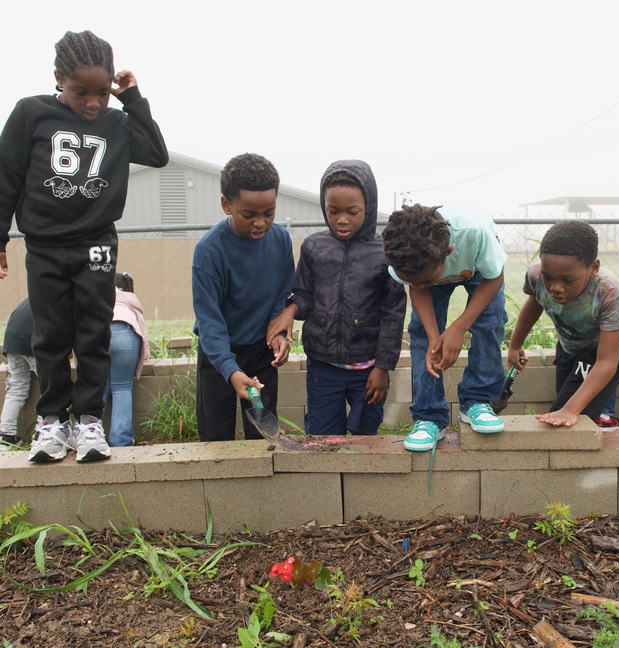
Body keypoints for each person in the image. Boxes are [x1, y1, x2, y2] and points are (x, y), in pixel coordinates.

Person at [0, 30, 169, 464]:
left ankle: (88, 420)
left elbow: (156, 154)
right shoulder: (31, 113)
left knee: (93, 334)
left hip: (96, 244)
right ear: (59, 79)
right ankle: (52, 421)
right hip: (45, 246)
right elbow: (5, 174)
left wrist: (132, 99)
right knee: (50, 335)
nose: (94, 103)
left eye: (102, 93)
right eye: (82, 92)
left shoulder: (117, 123)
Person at [267, 160, 406, 435]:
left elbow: (393, 313)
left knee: (365, 435)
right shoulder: (313, 247)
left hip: (368, 370)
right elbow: (305, 294)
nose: (342, 219)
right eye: (333, 211)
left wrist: (383, 367)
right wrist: (290, 309)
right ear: (324, 206)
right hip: (324, 368)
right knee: (324, 438)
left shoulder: (384, 252)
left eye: (352, 212)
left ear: (368, 207)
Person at [382, 204, 508, 451]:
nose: (418, 286)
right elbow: (418, 288)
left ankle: (478, 400)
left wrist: (458, 328)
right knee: (421, 332)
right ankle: (428, 415)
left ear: (449, 252)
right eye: (411, 281)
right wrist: (433, 337)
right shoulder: (401, 255)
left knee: (490, 322)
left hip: (480, 266)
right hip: (430, 266)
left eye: (425, 281)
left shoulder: (474, 234)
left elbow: (495, 277)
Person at [192, 153, 294, 442]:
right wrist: (229, 368)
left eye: (269, 213)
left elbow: (282, 293)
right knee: (216, 439)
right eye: (249, 215)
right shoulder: (209, 251)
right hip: (218, 354)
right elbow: (210, 321)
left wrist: (278, 333)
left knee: (263, 435)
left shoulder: (281, 240)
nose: (260, 223)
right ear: (227, 204)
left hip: (262, 352)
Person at [507, 220, 619, 428]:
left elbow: (606, 362)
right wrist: (515, 344)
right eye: (548, 277)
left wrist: (570, 410)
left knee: (574, 413)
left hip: (610, 348)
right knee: (564, 400)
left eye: (567, 281)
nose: (555, 287)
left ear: (593, 268)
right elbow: (534, 303)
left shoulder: (608, 292)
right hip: (571, 344)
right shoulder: (535, 276)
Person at [103, 273, 149, 447]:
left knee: (99, 387)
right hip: (125, 332)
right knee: (121, 387)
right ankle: (121, 440)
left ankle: (91, 437)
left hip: (100, 333)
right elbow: (142, 331)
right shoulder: (131, 301)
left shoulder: (97, 296)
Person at [0, 299, 36, 451]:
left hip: (12, 341)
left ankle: (5, 437)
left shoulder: (30, 298)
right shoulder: (60, 294)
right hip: (34, 338)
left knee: (16, 388)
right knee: (50, 388)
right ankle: (43, 434)